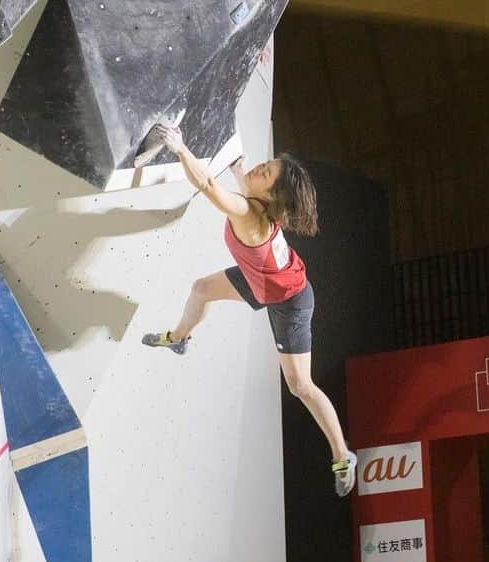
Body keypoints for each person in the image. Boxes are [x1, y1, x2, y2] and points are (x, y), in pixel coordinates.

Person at [138, 124, 357, 497]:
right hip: (263, 280)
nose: (259, 169)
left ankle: (342, 455)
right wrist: (242, 172)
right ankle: (178, 338)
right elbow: (246, 194)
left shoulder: (248, 215)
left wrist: (179, 148)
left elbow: (208, 186)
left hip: (288, 302)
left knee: (300, 386)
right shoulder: (258, 204)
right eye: (265, 165)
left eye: (264, 173)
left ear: (270, 195)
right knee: (201, 289)